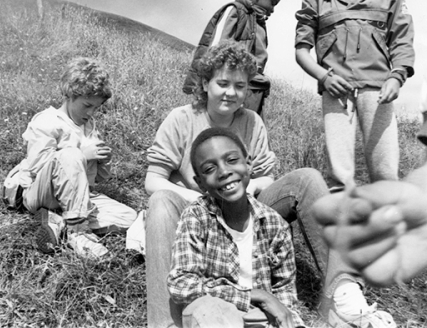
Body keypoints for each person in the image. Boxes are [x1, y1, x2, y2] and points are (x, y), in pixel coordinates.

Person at [145, 41, 392, 328]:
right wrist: (196, 198)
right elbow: (153, 180)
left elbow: (265, 176)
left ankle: (343, 295)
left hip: (244, 207)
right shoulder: (181, 119)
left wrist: (250, 189)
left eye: (240, 86)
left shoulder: (251, 121)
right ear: (204, 83)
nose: (231, 92)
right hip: (197, 209)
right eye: (222, 83)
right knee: (161, 200)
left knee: (308, 179)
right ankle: (165, 322)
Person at [167, 127, 305, 328]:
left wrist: (291, 320)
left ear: (248, 164)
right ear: (200, 183)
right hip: (215, 317)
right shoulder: (197, 216)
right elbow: (180, 284)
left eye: (232, 160)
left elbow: (285, 295)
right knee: (209, 312)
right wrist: (253, 296)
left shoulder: (274, 223)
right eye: (209, 169)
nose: (224, 172)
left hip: (260, 320)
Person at [3, 57, 137, 258]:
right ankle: (78, 231)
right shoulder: (48, 121)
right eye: (87, 105)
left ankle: (58, 222)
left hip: (75, 197)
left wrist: (103, 160)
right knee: (70, 155)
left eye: (96, 108)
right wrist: (82, 155)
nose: (91, 113)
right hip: (37, 192)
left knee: (128, 217)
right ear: (69, 95)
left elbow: (98, 179)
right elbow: (38, 166)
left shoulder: (88, 128)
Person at [312, 79, 427, 288]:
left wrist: (397, 74)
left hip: (377, 80)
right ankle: (343, 280)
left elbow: (402, 47)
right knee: (341, 191)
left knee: (383, 173)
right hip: (337, 84)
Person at [295, 0, 415, 192]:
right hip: (336, 91)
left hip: (378, 90)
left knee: (386, 173)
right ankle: (342, 219)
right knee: (339, 177)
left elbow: (402, 41)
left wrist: (397, 76)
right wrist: (324, 77)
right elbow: (301, 51)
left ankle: (385, 219)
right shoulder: (315, 2)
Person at [182, 0, 280, 122]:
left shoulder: (258, 22)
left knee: (250, 135)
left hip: (254, 92)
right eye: (273, 3)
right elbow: (213, 53)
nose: (273, 10)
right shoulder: (235, 11)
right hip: (235, 89)